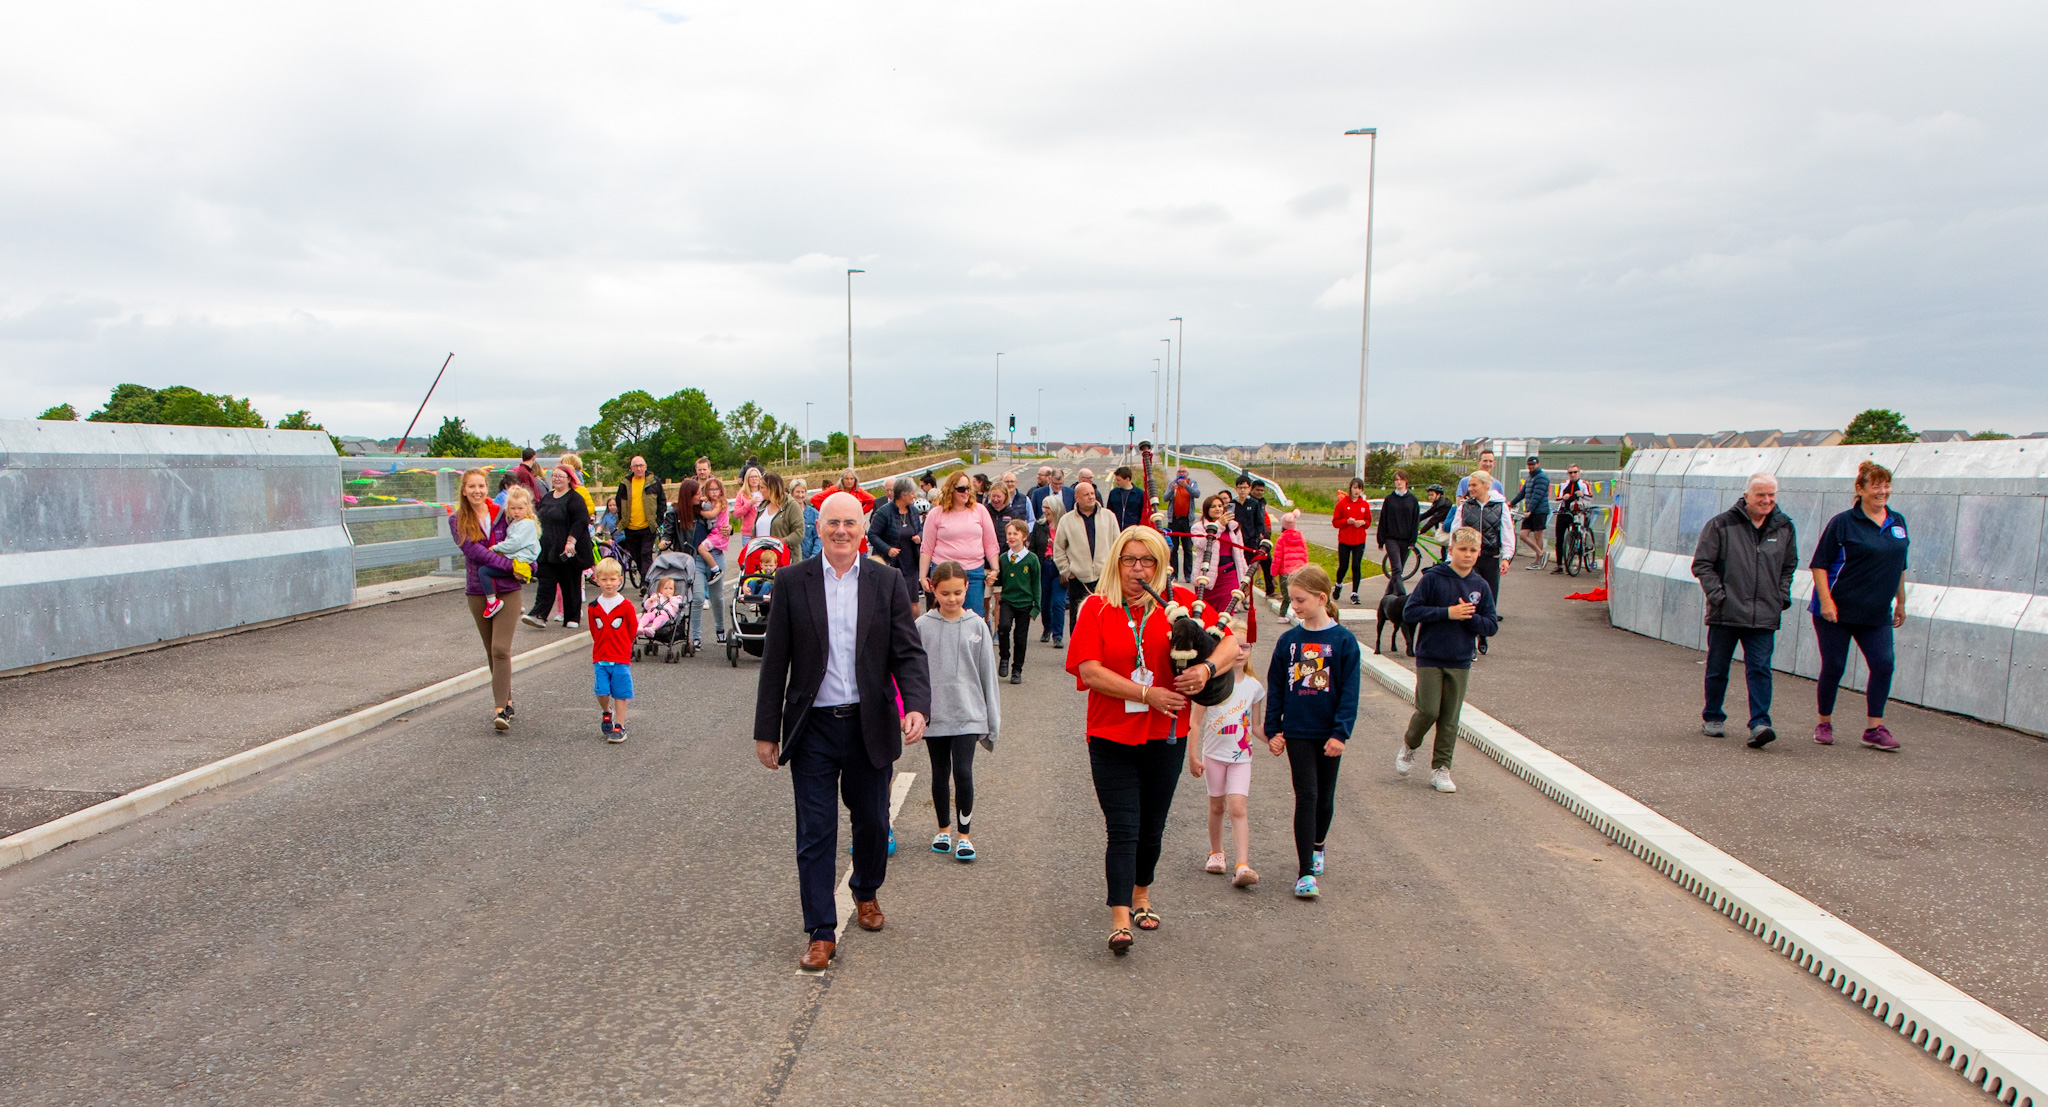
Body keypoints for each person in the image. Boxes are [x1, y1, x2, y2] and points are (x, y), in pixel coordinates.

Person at [753, 491, 931, 972]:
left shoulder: (887, 580)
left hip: (867, 724)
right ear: (820, 527)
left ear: (862, 525)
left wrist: (915, 704)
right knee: (815, 832)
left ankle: (867, 891)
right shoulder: (792, 582)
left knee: (873, 821)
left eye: (850, 523)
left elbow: (908, 652)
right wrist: (766, 731)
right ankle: (820, 930)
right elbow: (775, 663)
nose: (841, 531)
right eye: (832, 523)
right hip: (811, 728)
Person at [1067, 526, 1241, 954]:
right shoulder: (1096, 607)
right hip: (1110, 735)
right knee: (1123, 826)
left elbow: (1229, 641)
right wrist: (1145, 693)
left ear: (1161, 565)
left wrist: (1205, 671)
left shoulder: (1182, 604)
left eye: (1148, 561)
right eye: (1130, 560)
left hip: (1167, 736)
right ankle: (1120, 916)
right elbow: (1088, 670)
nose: (1138, 569)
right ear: (1117, 563)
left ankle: (1142, 892)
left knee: (1152, 826)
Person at [1262, 566, 1360, 899]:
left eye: (1301, 600)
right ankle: (1304, 872)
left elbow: (1349, 691)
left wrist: (1340, 733)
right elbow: (1275, 686)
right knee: (1307, 795)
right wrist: (1273, 727)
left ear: (1322, 598)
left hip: (1329, 732)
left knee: (1325, 797)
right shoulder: (1289, 641)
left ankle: (1319, 845)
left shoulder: (1344, 642)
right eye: (1292, 600)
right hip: (1299, 731)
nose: (1295, 606)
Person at [1809, 460, 1910, 751]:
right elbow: (1819, 564)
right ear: (1860, 489)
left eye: (1886, 485)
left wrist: (1901, 600)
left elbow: (1900, 565)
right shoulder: (1843, 522)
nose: (1883, 491)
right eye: (1876, 485)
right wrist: (1826, 601)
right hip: (1837, 610)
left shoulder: (1898, 522)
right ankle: (1824, 722)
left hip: (1876, 611)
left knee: (1883, 664)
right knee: (1835, 666)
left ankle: (1874, 729)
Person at [1692, 473, 1797, 748]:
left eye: (1771, 494)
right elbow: (1702, 564)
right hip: (1726, 611)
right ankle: (1713, 715)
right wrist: (1718, 596)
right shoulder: (1721, 524)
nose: (1767, 500)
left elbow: (1789, 565)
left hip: (1764, 612)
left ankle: (1760, 723)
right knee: (1718, 667)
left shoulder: (1784, 527)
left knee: (1760, 669)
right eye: (1761, 495)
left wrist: (1781, 596)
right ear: (1747, 496)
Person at [1400, 527, 1498, 793]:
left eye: (1473, 550)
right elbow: (1411, 612)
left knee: (1450, 718)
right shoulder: (1433, 579)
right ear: (1451, 550)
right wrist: (1447, 613)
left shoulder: (1480, 586)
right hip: (1431, 655)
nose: (1467, 555)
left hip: (1460, 658)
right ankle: (1410, 743)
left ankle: (1441, 768)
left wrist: (1471, 619)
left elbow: (1491, 624)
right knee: (1429, 710)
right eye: (1462, 549)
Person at [917, 561, 1003, 865]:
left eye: (958, 592)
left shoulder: (978, 625)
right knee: (939, 772)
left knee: (963, 772)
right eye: (945, 593)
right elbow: (912, 674)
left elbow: (987, 677)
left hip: (969, 713)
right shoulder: (922, 626)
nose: (952, 599)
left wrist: (993, 721)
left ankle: (964, 836)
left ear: (967, 588)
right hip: (935, 715)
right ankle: (943, 830)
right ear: (932, 588)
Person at [450, 467, 522, 732]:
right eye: (472, 487)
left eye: (481, 486)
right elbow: (475, 552)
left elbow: (525, 538)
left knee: (500, 649)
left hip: (508, 588)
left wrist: (528, 566)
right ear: (464, 490)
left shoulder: (502, 513)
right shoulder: (456, 519)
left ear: (487, 488)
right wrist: (510, 564)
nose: (477, 491)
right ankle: (508, 699)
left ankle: (500, 709)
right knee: (492, 650)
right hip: (479, 589)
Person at [1190, 649, 1263, 889]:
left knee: (1238, 807)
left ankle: (1242, 865)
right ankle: (1216, 852)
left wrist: (1275, 739)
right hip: (1213, 756)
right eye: (1236, 646)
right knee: (1217, 806)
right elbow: (1196, 722)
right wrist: (1192, 755)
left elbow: (1256, 725)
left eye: (1246, 646)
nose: (1240, 652)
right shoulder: (1210, 685)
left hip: (1242, 757)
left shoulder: (1254, 686)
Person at [919, 472, 1000, 615]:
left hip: (973, 572)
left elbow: (990, 543)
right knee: (944, 616)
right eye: (961, 489)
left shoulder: (980, 511)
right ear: (951, 490)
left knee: (974, 616)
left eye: (969, 488)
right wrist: (923, 576)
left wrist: (995, 569)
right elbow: (927, 548)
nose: (966, 492)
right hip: (943, 572)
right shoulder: (936, 514)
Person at [525, 466, 594, 629]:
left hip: (567, 550)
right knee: (546, 581)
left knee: (570, 584)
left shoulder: (575, 498)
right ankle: (539, 615)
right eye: (554, 476)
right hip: (548, 548)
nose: (556, 479)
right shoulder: (547, 497)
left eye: (561, 476)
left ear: (569, 479)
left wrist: (571, 541)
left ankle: (572, 617)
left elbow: (580, 521)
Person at [1053, 480, 1120, 640]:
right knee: (1078, 620)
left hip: (1104, 578)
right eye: (1086, 494)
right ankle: (1077, 657)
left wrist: (1115, 571)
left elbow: (1118, 545)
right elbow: (1059, 549)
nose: (1091, 497)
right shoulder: (1067, 520)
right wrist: (1067, 571)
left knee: (1105, 617)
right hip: (1078, 579)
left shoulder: (1109, 517)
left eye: (1092, 493)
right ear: (1077, 497)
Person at [1457, 479, 1513, 654]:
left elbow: (1507, 532)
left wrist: (1506, 558)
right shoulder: (1465, 506)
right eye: (1469, 485)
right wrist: (1453, 556)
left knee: (1488, 599)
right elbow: (1456, 531)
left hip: (1490, 557)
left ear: (1485, 486)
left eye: (1474, 485)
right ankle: (1470, 641)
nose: (1470, 489)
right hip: (1470, 558)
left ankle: (1483, 634)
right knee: (1468, 599)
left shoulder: (1500, 507)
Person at [587, 558, 638, 744]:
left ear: (619, 580)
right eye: (604, 579)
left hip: (620, 656)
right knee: (601, 691)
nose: (609, 583)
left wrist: (624, 646)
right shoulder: (593, 607)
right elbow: (594, 630)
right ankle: (606, 711)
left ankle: (620, 725)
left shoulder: (626, 606)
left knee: (621, 692)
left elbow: (632, 629)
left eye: (612, 579)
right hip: (600, 655)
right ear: (597, 580)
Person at [478, 486, 540, 618]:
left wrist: (496, 548)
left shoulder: (526, 524)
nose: (516, 512)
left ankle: (491, 601)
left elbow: (515, 543)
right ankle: (515, 605)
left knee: (484, 571)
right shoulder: (518, 523)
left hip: (518, 561)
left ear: (528, 508)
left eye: (520, 508)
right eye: (513, 508)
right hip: (517, 560)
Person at [994, 517, 1040, 684]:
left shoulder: (1031, 559)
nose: (1011, 537)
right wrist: (992, 580)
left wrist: (1036, 607)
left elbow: (1036, 584)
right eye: (1009, 533)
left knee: (1020, 638)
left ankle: (1017, 669)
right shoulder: (1003, 558)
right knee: (1004, 627)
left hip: (1025, 603)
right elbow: (999, 580)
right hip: (1008, 600)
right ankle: (1004, 657)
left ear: (1024, 536)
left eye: (1015, 533)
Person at [612, 456, 665, 591]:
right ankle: (648, 577)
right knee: (636, 555)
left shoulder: (654, 482)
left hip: (648, 526)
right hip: (630, 526)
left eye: (641, 465)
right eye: (636, 466)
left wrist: (658, 521)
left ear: (646, 466)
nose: (639, 468)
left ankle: (645, 583)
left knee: (645, 553)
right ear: (631, 468)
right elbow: (619, 502)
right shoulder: (625, 483)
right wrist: (620, 519)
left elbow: (661, 502)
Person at [1190, 493, 1247, 614]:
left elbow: (1240, 553)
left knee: (1226, 613)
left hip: (1229, 576)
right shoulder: (1198, 527)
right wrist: (1218, 526)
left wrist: (1245, 578)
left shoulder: (1233, 527)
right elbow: (1201, 543)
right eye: (1213, 506)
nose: (1217, 509)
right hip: (1207, 576)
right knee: (1206, 614)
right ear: (1206, 509)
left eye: (1220, 506)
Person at [698, 476, 734, 644]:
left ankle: (715, 569)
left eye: (716, 489)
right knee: (697, 598)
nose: (713, 492)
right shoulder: (707, 498)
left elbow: (712, 514)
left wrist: (699, 511)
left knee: (702, 548)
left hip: (718, 536)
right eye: (710, 489)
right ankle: (696, 637)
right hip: (715, 535)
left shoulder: (720, 503)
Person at [870, 477, 924, 581]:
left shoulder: (914, 511)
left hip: (911, 566)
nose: (914, 496)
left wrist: (919, 537)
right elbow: (872, 534)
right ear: (903, 494)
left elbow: (920, 529)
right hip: (891, 565)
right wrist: (887, 549)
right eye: (912, 493)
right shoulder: (884, 512)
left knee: (911, 597)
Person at [1376, 472, 1420, 598]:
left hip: (1406, 540)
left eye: (1401, 480)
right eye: (1396, 480)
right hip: (1391, 538)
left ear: (1406, 481)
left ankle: (1387, 596)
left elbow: (1415, 522)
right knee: (1396, 568)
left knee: (1399, 571)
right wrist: (1381, 539)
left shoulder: (1412, 500)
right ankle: (1402, 595)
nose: (1399, 482)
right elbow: (1383, 519)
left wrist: (1412, 541)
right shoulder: (1389, 499)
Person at [1331, 477, 1374, 602]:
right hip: (1344, 540)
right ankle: (1338, 584)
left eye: (1359, 488)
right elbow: (1335, 522)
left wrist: (1362, 522)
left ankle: (1354, 593)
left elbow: (1368, 522)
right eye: (1355, 488)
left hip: (1359, 540)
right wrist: (1346, 521)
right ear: (1350, 488)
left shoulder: (1364, 505)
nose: (1356, 491)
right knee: (1343, 566)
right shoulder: (1342, 504)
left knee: (1356, 565)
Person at [1032, 499, 1066, 647]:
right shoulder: (1039, 526)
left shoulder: (1065, 525)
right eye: (1043, 507)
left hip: (1060, 566)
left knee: (1058, 602)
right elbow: (1033, 547)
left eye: (1048, 507)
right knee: (1044, 602)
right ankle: (1047, 628)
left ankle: (1058, 635)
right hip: (1044, 565)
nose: (1044, 510)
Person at [1234, 476, 1276, 596]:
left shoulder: (1255, 504)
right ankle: (1241, 595)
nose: (1242, 490)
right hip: (1237, 542)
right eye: (1240, 487)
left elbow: (1260, 522)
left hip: (1253, 542)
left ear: (1249, 488)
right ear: (1236, 488)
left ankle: (1270, 589)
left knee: (1265, 562)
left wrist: (1258, 537)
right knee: (1242, 570)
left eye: (1245, 487)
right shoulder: (1233, 504)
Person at [1550, 465, 1594, 575]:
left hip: (1578, 512)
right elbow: (1557, 498)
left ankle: (1580, 547)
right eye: (1570, 472)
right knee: (1559, 538)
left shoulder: (1584, 484)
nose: (1573, 474)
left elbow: (1590, 497)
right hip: (1564, 511)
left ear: (1579, 472)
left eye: (1575, 472)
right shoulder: (1563, 484)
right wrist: (1563, 497)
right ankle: (1559, 565)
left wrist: (1582, 495)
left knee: (1577, 532)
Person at [1508, 456, 1551, 569]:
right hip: (1530, 511)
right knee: (1523, 535)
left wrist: (1530, 510)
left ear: (1538, 464)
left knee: (1538, 535)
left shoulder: (1541, 478)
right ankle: (1541, 554)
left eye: (1533, 464)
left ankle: (1538, 561)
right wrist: (1511, 502)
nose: (1531, 467)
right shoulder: (1530, 478)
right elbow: (1523, 493)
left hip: (1539, 511)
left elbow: (1537, 495)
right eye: (1529, 465)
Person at [1164, 466, 1201, 580]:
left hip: (1187, 520)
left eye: (1183, 472)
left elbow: (1197, 494)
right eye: (1179, 472)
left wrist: (1186, 486)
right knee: (1173, 548)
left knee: (1188, 548)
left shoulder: (1192, 483)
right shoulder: (1172, 484)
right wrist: (1172, 490)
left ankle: (1188, 574)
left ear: (1187, 474)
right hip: (1174, 519)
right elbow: (1165, 498)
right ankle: (1174, 573)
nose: (1181, 474)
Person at [1271, 510, 1310, 621]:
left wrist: (1273, 574)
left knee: (1287, 596)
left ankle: (1282, 615)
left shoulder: (1281, 539)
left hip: (1285, 572)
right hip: (1299, 571)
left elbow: (1277, 558)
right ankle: (1298, 613)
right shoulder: (1300, 537)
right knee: (1299, 594)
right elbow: (1305, 554)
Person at [638, 575, 685, 643]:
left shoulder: (676, 598)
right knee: (646, 615)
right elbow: (647, 607)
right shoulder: (656, 596)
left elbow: (678, 608)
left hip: (666, 617)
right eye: (665, 588)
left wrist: (671, 598)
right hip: (653, 613)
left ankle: (652, 629)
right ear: (660, 589)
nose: (668, 591)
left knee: (659, 618)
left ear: (674, 590)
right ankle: (640, 627)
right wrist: (650, 601)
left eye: (671, 589)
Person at [810, 469, 876, 514]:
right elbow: (814, 499)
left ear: (855, 480)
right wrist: (827, 512)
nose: (849, 481)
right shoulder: (834, 490)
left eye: (851, 479)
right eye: (846, 479)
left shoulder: (859, 491)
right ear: (842, 480)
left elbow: (873, 501)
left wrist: (860, 512)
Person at [789, 478, 821, 560]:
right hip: (792, 559)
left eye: (802, 492)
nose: (800, 495)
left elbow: (818, 537)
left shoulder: (814, 514)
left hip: (809, 559)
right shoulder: (786, 513)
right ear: (791, 493)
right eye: (797, 492)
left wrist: (814, 557)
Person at [1105, 466, 1146, 530]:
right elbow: (1109, 511)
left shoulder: (1139, 494)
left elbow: (1142, 513)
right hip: (1116, 529)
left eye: (1119, 480)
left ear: (1127, 479)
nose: (1116, 482)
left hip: (1133, 530)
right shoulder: (1113, 493)